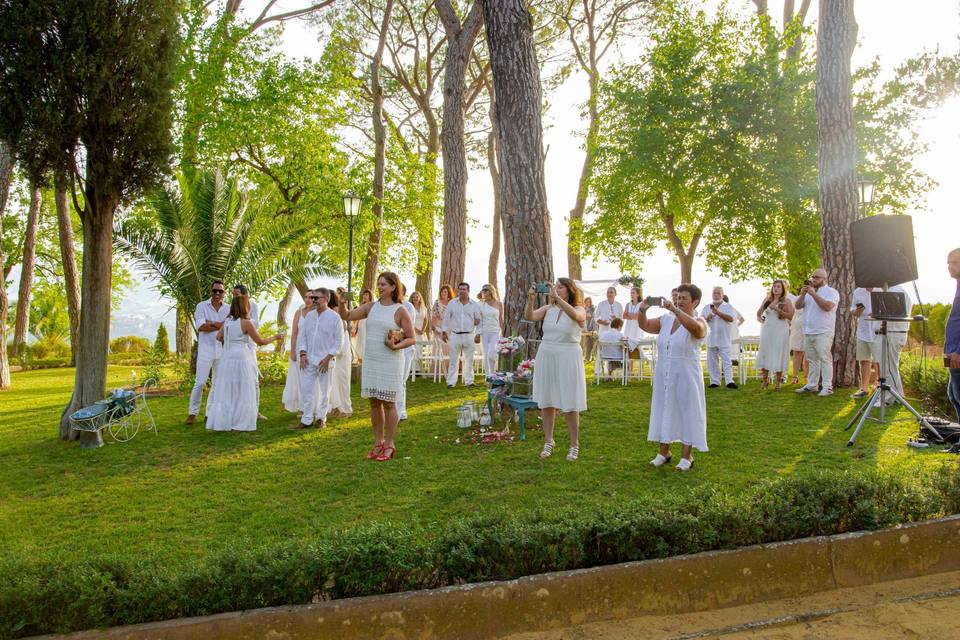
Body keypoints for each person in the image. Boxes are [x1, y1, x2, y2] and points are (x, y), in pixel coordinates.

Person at [337, 272, 415, 461]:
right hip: (372, 359)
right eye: (378, 284)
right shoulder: (370, 307)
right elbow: (347, 316)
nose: (380, 287)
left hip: (390, 360)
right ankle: (377, 442)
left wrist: (396, 345)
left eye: (384, 284)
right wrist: (341, 302)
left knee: (389, 403)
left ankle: (389, 444)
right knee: (374, 401)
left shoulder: (400, 310)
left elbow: (411, 338)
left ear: (393, 287)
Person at [639, 284, 709, 472]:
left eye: (684, 298)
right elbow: (644, 325)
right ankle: (664, 452)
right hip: (664, 371)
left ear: (695, 302)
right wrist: (642, 311)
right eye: (677, 297)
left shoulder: (701, 320)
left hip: (687, 373)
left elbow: (697, 330)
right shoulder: (665, 320)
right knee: (664, 407)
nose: (678, 300)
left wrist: (676, 310)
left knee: (688, 411)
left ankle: (687, 456)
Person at [526, 278, 587, 461]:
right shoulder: (548, 309)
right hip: (547, 354)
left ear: (569, 290)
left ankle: (574, 444)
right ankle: (548, 440)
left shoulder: (579, 309)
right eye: (555, 287)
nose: (556, 289)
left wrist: (558, 300)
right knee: (547, 399)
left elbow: (578, 318)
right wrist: (530, 300)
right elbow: (530, 316)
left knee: (570, 401)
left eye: (560, 287)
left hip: (568, 356)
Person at [205, 296, 282, 431]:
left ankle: (226, 421)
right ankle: (239, 423)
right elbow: (260, 342)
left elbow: (218, 337)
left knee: (228, 389)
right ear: (244, 307)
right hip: (241, 358)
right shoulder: (246, 323)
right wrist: (276, 337)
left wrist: (229, 342)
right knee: (242, 390)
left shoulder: (227, 322)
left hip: (227, 358)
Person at [294, 288, 343, 430]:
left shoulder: (335, 318)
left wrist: (329, 357)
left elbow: (339, 342)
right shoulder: (309, 316)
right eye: (312, 297)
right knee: (306, 389)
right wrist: (302, 353)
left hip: (325, 361)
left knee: (324, 391)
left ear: (326, 299)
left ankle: (321, 418)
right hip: (309, 359)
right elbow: (302, 336)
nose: (313, 300)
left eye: (316, 298)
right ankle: (306, 419)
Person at [186, 280, 229, 424]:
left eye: (220, 291)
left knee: (217, 384)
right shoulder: (201, 306)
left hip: (221, 351)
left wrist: (212, 323)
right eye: (214, 291)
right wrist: (220, 325)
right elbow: (201, 327)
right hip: (205, 350)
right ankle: (192, 413)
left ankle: (210, 413)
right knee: (200, 383)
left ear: (224, 293)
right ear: (211, 291)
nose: (217, 294)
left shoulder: (228, 308)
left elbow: (228, 327)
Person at [795, 268, 840, 396]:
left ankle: (827, 387)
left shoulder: (831, 292)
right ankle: (812, 384)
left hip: (823, 331)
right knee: (812, 359)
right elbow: (797, 306)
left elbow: (827, 307)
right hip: (808, 330)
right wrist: (803, 294)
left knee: (825, 358)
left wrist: (813, 294)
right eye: (813, 277)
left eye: (817, 277)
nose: (814, 279)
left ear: (824, 279)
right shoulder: (808, 292)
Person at [282, 290, 316, 414]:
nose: (307, 299)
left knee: (310, 379)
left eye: (311, 297)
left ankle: (311, 407)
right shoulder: (299, 312)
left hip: (312, 349)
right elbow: (295, 332)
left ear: (315, 299)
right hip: (298, 349)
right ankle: (302, 408)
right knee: (300, 380)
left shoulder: (317, 313)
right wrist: (292, 350)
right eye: (306, 297)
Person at [755, 280, 794, 390]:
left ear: (783, 289)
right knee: (765, 352)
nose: (776, 289)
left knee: (778, 353)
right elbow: (758, 314)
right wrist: (764, 307)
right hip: (767, 329)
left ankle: (778, 382)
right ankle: (765, 380)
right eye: (774, 287)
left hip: (780, 329)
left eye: (778, 287)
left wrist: (777, 309)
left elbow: (791, 316)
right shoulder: (767, 299)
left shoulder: (786, 301)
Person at [443, 282, 482, 388]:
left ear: (468, 291)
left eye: (464, 289)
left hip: (469, 335)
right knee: (453, 360)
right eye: (460, 289)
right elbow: (446, 318)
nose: (462, 291)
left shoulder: (474, 305)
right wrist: (444, 331)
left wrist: (478, 334)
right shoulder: (452, 303)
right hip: (455, 335)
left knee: (469, 359)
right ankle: (451, 382)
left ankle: (469, 381)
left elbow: (479, 320)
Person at [701, 287, 738, 389]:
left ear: (722, 295)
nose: (716, 295)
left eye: (718, 293)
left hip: (724, 338)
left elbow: (731, 319)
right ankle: (715, 381)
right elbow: (701, 321)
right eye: (714, 293)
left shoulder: (728, 306)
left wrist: (718, 313)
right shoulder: (706, 307)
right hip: (711, 338)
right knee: (712, 361)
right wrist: (707, 318)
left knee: (726, 360)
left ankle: (729, 381)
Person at [883, 284, 913, 399]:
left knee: (890, 367)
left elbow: (893, 313)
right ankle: (899, 395)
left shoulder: (893, 292)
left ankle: (889, 398)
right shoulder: (903, 291)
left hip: (895, 332)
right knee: (892, 365)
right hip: (900, 332)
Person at [850, 286, 881, 398]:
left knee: (879, 361)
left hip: (877, 332)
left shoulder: (881, 289)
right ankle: (864, 388)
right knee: (864, 360)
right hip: (863, 332)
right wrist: (858, 311)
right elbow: (853, 311)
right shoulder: (858, 291)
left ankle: (879, 386)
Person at [327, 291, 353, 419]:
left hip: (341, 348)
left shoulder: (336, 311)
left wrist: (338, 349)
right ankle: (335, 407)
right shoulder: (329, 311)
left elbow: (342, 328)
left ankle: (344, 408)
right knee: (334, 380)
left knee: (342, 379)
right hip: (335, 347)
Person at [396, 285, 417, 421]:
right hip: (391, 347)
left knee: (401, 380)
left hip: (406, 348)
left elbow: (409, 329)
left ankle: (401, 410)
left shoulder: (408, 306)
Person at [944, 248, 960, 421]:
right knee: (954, 396)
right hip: (952, 350)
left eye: (955, 263)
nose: (949, 267)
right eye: (948, 263)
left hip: (958, 352)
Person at [478, 284, 504, 378]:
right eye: (483, 290)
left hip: (496, 332)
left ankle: (493, 373)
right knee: (486, 354)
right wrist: (478, 333)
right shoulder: (480, 304)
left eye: (485, 290)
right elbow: (478, 319)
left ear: (491, 291)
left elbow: (501, 320)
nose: (484, 292)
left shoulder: (499, 304)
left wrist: (504, 333)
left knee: (492, 354)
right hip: (484, 332)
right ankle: (488, 376)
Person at [787, 285, 807, 386]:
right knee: (797, 352)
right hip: (797, 327)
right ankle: (795, 376)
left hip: (808, 327)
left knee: (808, 353)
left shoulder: (813, 299)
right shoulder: (796, 299)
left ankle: (807, 377)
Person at [353, 289, 373, 363]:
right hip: (361, 324)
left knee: (365, 340)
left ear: (370, 296)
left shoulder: (372, 306)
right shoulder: (361, 306)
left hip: (367, 324)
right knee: (360, 341)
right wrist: (356, 327)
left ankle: (365, 358)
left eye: (367, 295)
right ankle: (359, 358)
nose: (364, 296)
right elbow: (358, 318)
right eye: (364, 294)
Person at [583, 297, 597, 362]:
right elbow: (585, 316)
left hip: (593, 327)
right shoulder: (583, 309)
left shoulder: (593, 309)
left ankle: (594, 357)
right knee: (587, 343)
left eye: (588, 302)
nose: (587, 303)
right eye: (586, 302)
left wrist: (586, 316)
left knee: (593, 343)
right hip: (586, 327)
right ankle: (587, 358)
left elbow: (590, 316)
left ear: (590, 302)